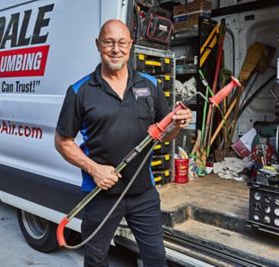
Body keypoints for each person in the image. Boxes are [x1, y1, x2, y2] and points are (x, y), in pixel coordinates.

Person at [55, 19, 192, 267]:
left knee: (156, 258)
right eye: (109, 42)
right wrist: (94, 169)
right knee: (96, 259)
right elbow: (62, 141)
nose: (115, 49)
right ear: (98, 45)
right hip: (101, 194)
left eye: (121, 43)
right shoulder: (80, 90)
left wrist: (177, 126)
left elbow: (165, 134)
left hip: (143, 193)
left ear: (130, 45)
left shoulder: (149, 86)